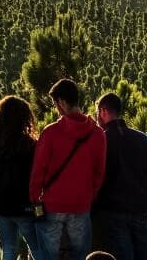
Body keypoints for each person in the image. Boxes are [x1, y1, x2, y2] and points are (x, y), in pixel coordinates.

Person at [30, 78, 106, 260]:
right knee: (81, 255)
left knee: (48, 255)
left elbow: (38, 171)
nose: (55, 108)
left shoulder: (50, 133)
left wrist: (35, 198)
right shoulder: (97, 134)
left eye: (55, 103)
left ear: (62, 103)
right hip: (81, 204)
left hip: (53, 204)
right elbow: (99, 173)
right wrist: (89, 196)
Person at [91, 93, 147, 260]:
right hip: (141, 211)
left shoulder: (101, 140)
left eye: (97, 112)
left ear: (103, 111)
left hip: (113, 213)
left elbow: (93, 178)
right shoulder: (141, 139)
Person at [0, 95, 46, 260]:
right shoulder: (30, 145)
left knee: (8, 248)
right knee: (36, 248)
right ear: (25, 118)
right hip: (24, 207)